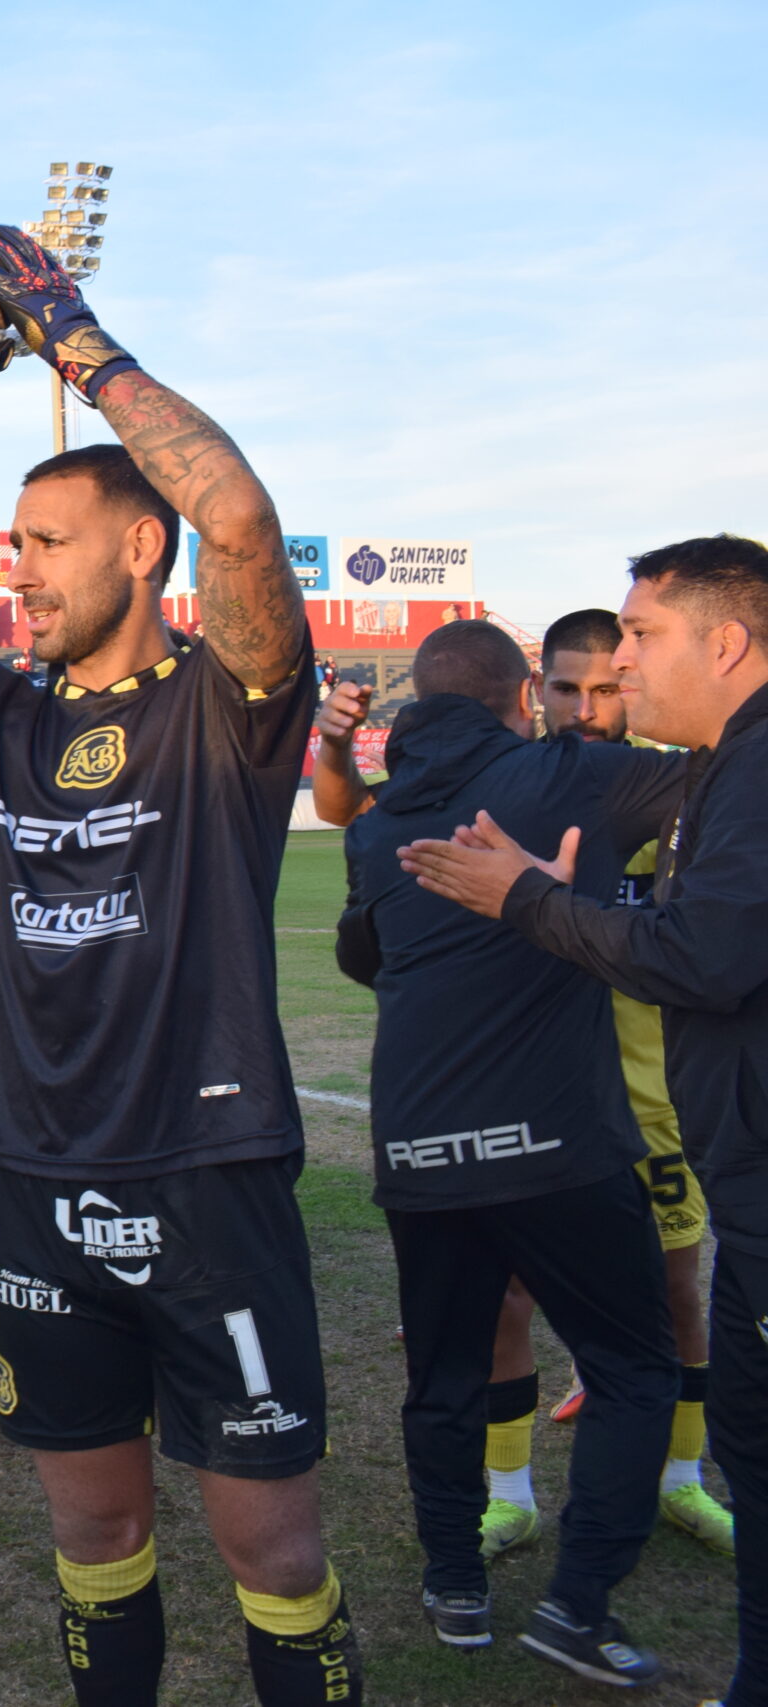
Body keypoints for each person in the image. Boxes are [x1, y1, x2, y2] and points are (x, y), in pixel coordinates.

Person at [0, 226, 361, 1703]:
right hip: (37, 1188)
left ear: (134, 546)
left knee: (271, 1545)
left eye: (44, 545)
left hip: (209, 1178)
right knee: (94, 1529)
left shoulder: (226, 699)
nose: (14, 574)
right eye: (11, 548)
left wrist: (66, 334)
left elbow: (238, 515)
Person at [401, 534, 768, 1707]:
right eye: (589, 665)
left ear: (725, 641)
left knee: (649, 1360)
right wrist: (541, 895)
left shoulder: (742, 763)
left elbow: (700, 961)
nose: (624, 668)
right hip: (710, 1161)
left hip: (684, 1152)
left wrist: (525, 899)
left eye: (643, 640)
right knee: (715, 1417)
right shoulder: (718, 763)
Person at [318, 610, 735, 1564]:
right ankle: (509, 1495)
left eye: (605, 690)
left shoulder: (661, 792)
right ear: (531, 694)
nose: (588, 710)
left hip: (656, 1091)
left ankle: (682, 1479)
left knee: (679, 1294)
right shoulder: (535, 786)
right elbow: (365, 828)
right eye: (565, 692)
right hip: (551, 1101)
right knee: (505, 1304)